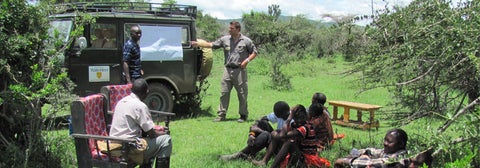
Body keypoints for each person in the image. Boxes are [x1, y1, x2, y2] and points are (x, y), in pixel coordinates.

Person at [191, 21, 258, 123]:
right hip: (227, 70)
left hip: (240, 70)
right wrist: (198, 44)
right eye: (229, 28)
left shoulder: (246, 41)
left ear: (238, 29)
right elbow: (211, 45)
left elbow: (254, 52)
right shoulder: (225, 39)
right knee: (224, 93)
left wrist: (247, 61)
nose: (229, 30)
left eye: (232, 28)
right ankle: (221, 115)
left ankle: (243, 115)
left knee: (242, 94)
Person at [109, 79, 172, 168]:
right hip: (129, 147)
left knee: (148, 142)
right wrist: (163, 133)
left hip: (114, 144)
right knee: (165, 140)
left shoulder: (121, 102)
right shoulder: (140, 106)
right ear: (145, 92)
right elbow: (151, 133)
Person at [219, 101, 290, 161]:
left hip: (282, 148)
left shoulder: (293, 121)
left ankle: (242, 154)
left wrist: (259, 130)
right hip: (276, 141)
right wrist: (252, 134)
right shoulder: (280, 114)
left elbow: (280, 137)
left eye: (279, 116)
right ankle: (251, 149)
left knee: (265, 134)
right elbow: (262, 119)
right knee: (263, 123)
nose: (279, 118)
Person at [334, 128, 426, 168]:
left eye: (389, 142)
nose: (385, 144)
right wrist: (361, 154)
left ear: (401, 144)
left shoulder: (400, 157)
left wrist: (348, 161)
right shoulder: (390, 151)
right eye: (385, 140)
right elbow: (373, 151)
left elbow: (380, 163)